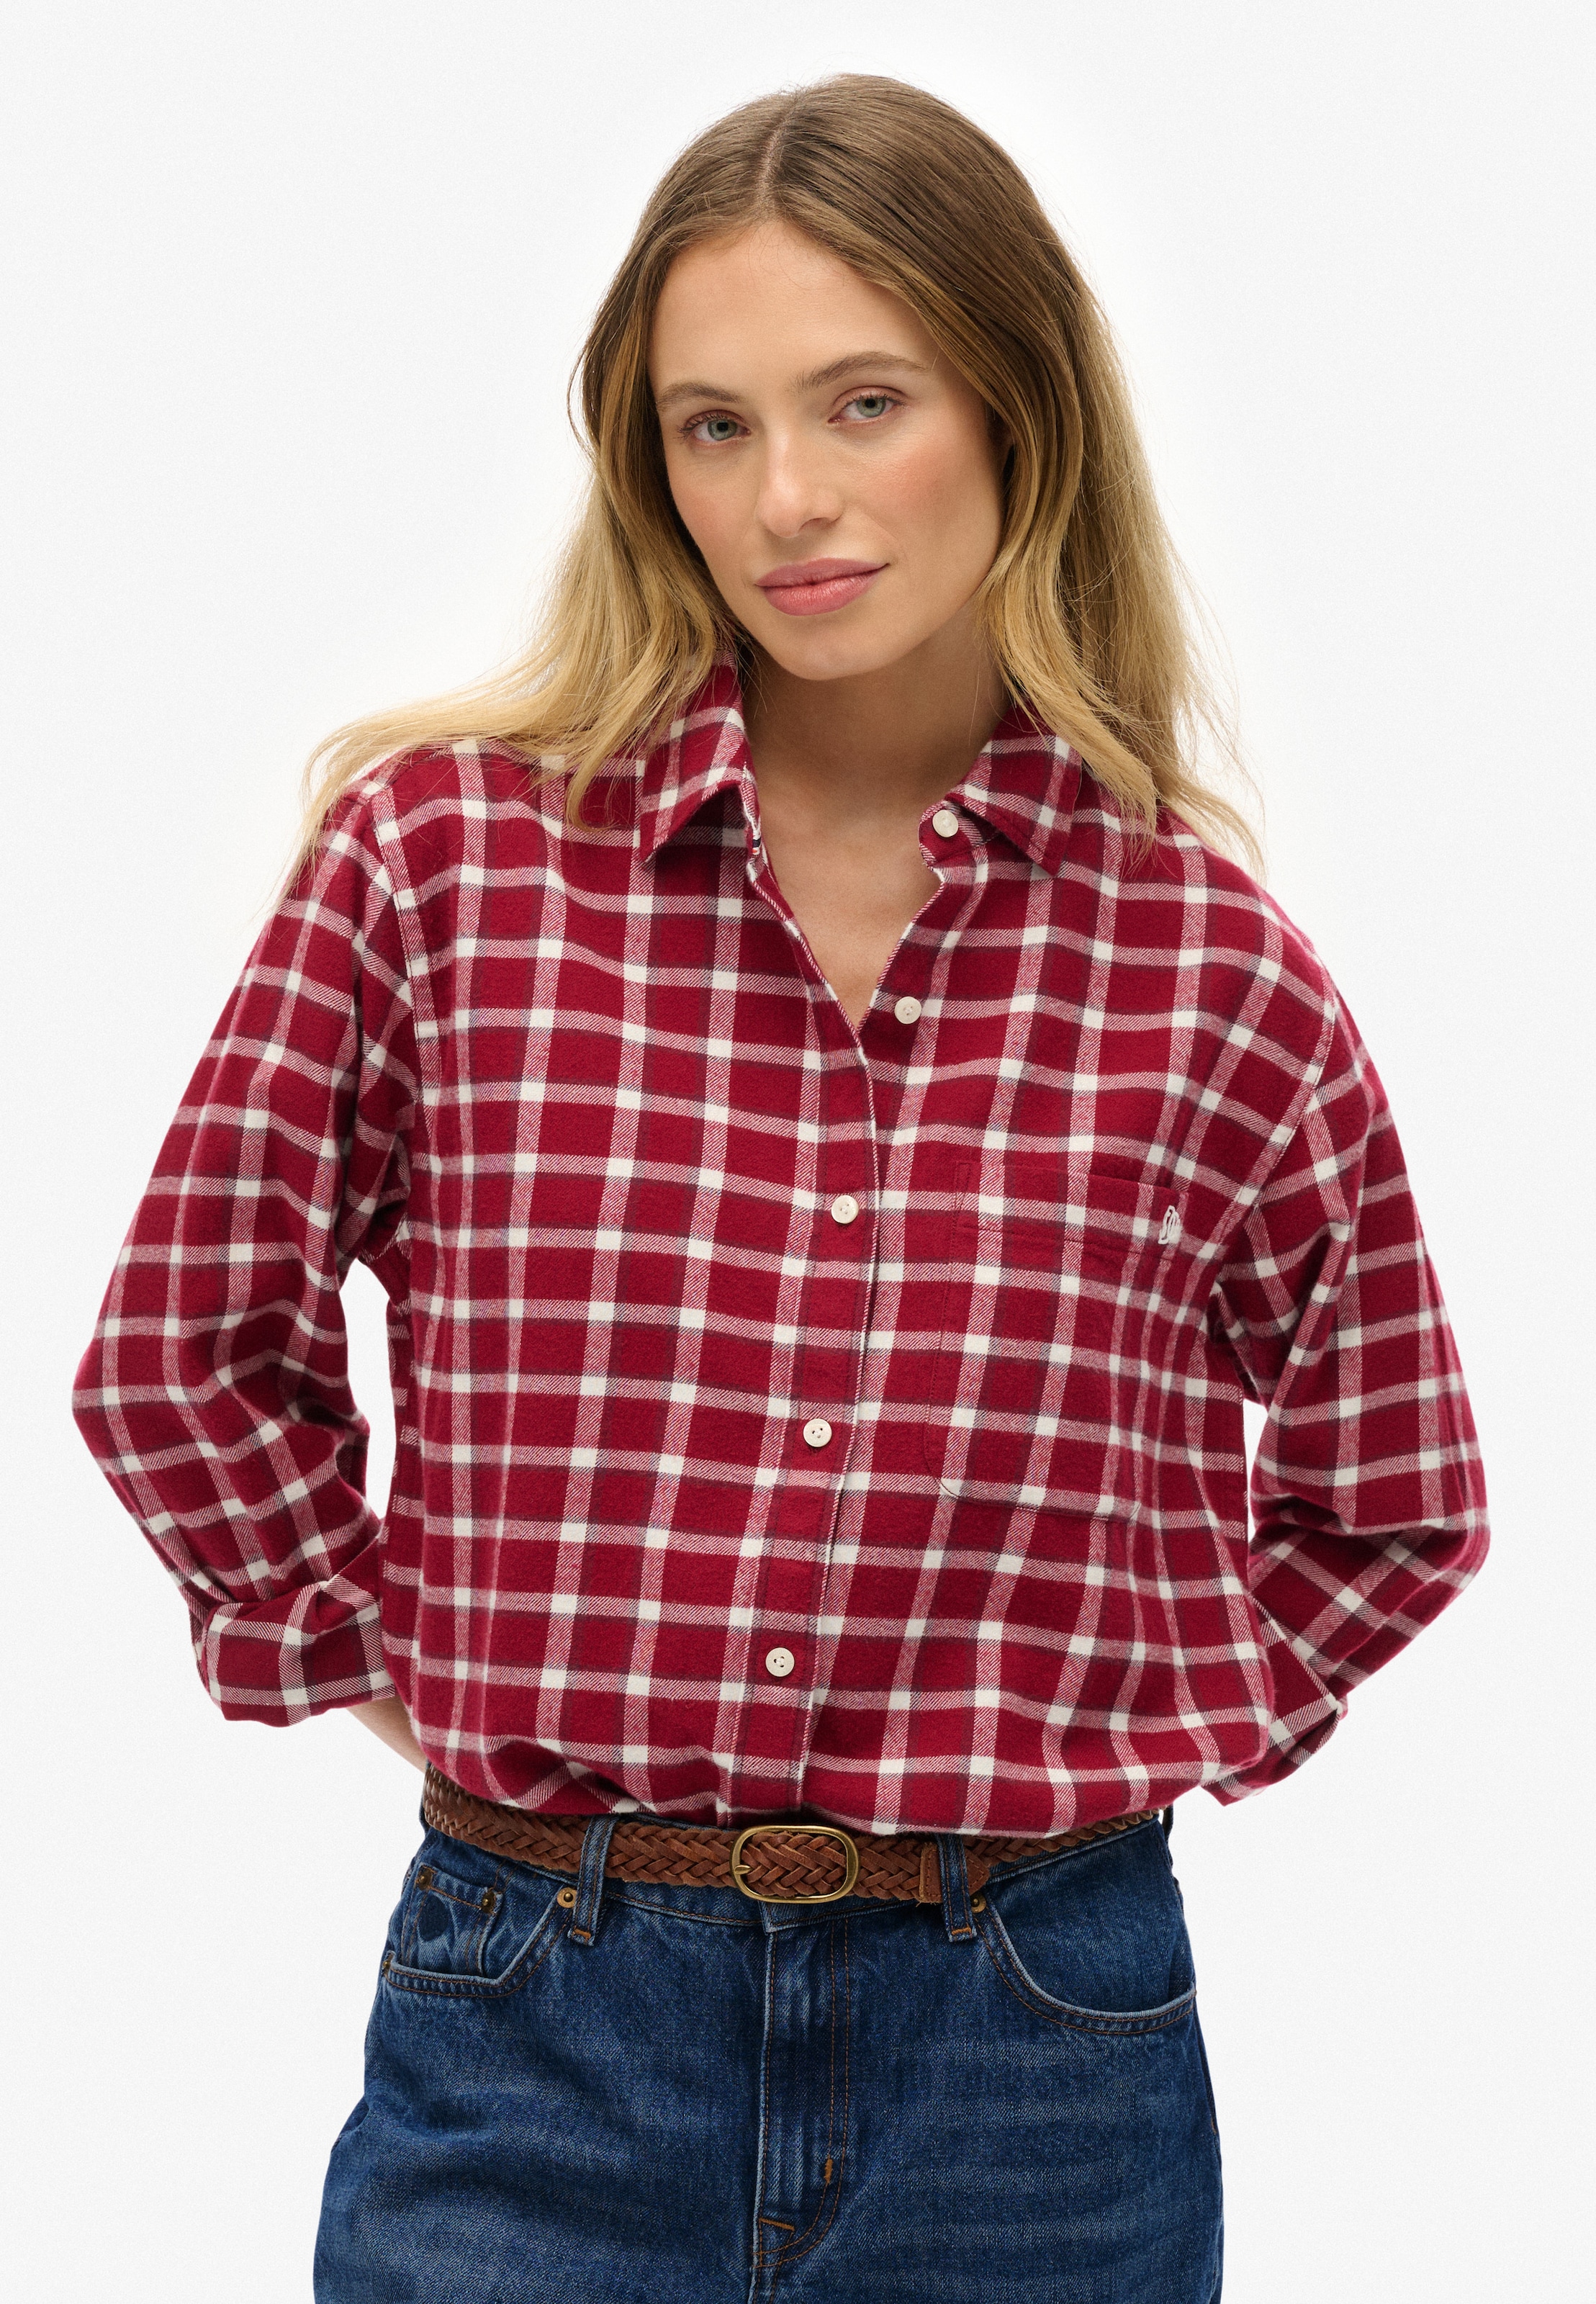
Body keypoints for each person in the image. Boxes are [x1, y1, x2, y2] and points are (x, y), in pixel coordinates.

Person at [72, 74, 1488, 2304]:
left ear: (1018, 410)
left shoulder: (1202, 966)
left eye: (862, 402)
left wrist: (1126, 1731)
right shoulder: (442, 870)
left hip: (1035, 2061)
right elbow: (182, 1354)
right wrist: (397, 1673)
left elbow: (1387, 1489)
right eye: (710, 427)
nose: (788, 499)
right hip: (534, 2019)